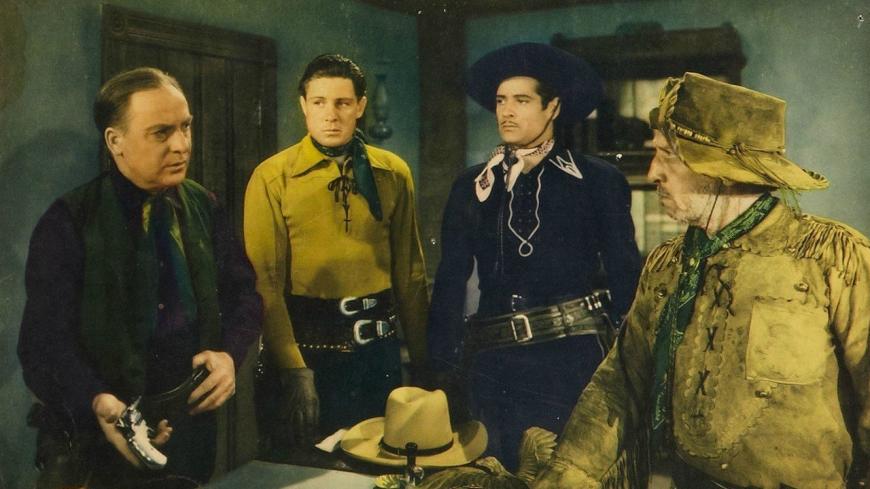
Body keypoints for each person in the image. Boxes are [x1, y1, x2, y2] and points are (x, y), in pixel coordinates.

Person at [532, 72, 870, 488]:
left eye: (667, 155)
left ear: (720, 172)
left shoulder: (832, 257)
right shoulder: (666, 265)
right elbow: (620, 384)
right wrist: (564, 478)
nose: (653, 172)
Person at [17, 67, 263, 488]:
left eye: (186, 127)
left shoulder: (205, 206)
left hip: (188, 440)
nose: (181, 145)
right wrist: (97, 401)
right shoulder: (69, 222)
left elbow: (245, 297)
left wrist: (229, 356)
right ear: (116, 142)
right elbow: (42, 346)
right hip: (96, 446)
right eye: (161, 133)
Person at [427, 43, 641, 471]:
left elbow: (627, 279)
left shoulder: (597, 182)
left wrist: (631, 368)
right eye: (501, 101)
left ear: (553, 107)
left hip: (571, 361)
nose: (507, 112)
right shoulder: (472, 186)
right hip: (492, 366)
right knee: (497, 474)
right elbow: (450, 279)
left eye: (522, 100)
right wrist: (441, 368)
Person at [244, 54, 428, 450]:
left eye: (343, 103)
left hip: (376, 359)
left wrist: (425, 365)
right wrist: (295, 371)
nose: (331, 115)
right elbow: (265, 284)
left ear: (360, 106)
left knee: (379, 466)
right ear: (303, 106)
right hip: (307, 359)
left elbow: (411, 276)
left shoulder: (393, 173)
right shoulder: (273, 177)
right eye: (319, 102)